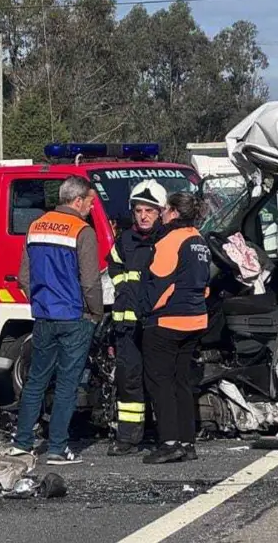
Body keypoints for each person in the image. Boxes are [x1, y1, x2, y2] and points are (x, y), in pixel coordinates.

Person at [10, 176, 104, 465]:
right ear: (77, 201)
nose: (90, 206)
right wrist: (96, 313)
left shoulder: (35, 227)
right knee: (67, 384)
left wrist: (38, 301)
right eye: (89, 201)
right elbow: (90, 282)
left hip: (44, 316)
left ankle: (22, 442)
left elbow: (24, 276)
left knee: (36, 380)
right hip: (75, 316)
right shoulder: (82, 231)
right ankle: (57, 448)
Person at [137, 191, 210, 465]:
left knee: (160, 383)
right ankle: (187, 442)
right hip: (195, 318)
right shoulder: (199, 240)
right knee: (183, 382)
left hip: (167, 320)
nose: (162, 213)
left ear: (175, 212)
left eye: (165, 209)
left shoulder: (171, 239)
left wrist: (144, 311)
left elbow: (158, 280)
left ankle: (169, 443)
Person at [107, 179, 168, 456]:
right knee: (128, 380)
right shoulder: (125, 241)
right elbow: (113, 264)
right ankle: (128, 438)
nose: (143, 216)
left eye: (149, 211)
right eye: (139, 211)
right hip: (127, 325)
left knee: (158, 379)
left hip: (157, 324)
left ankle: (163, 435)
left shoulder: (166, 240)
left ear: (160, 212)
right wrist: (122, 287)